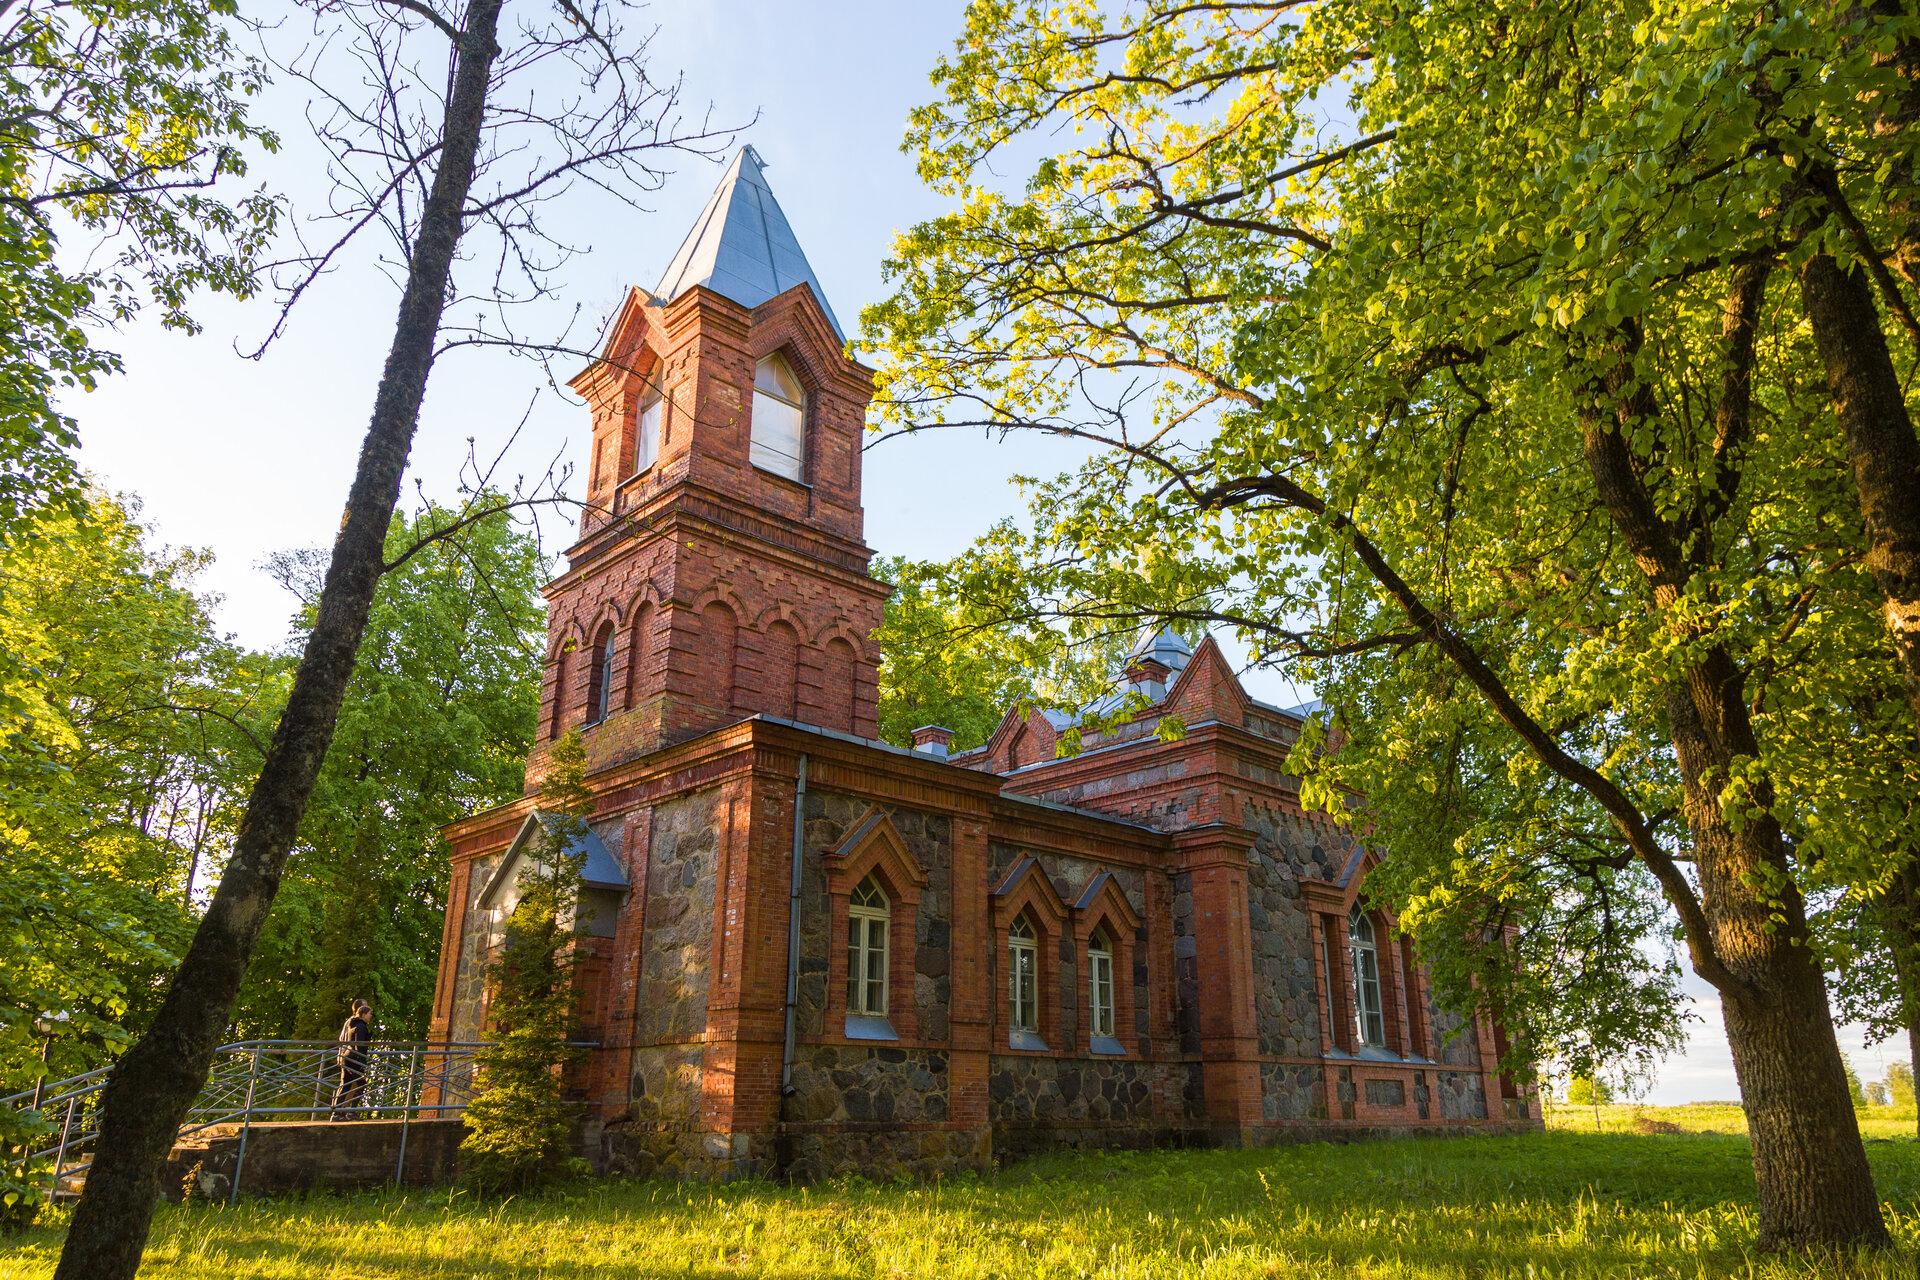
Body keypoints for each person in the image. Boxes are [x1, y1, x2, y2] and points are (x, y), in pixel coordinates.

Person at [329, 999, 373, 1119]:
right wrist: (361, 1061)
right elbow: (358, 1044)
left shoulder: (352, 1023)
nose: (370, 1014)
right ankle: (348, 1112)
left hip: (346, 1056)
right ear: (361, 1010)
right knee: (359, 1084)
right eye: (366, 1008)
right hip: (352, 1057)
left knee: (346, 1085)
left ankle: (338, 1113)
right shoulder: (358, 1024)